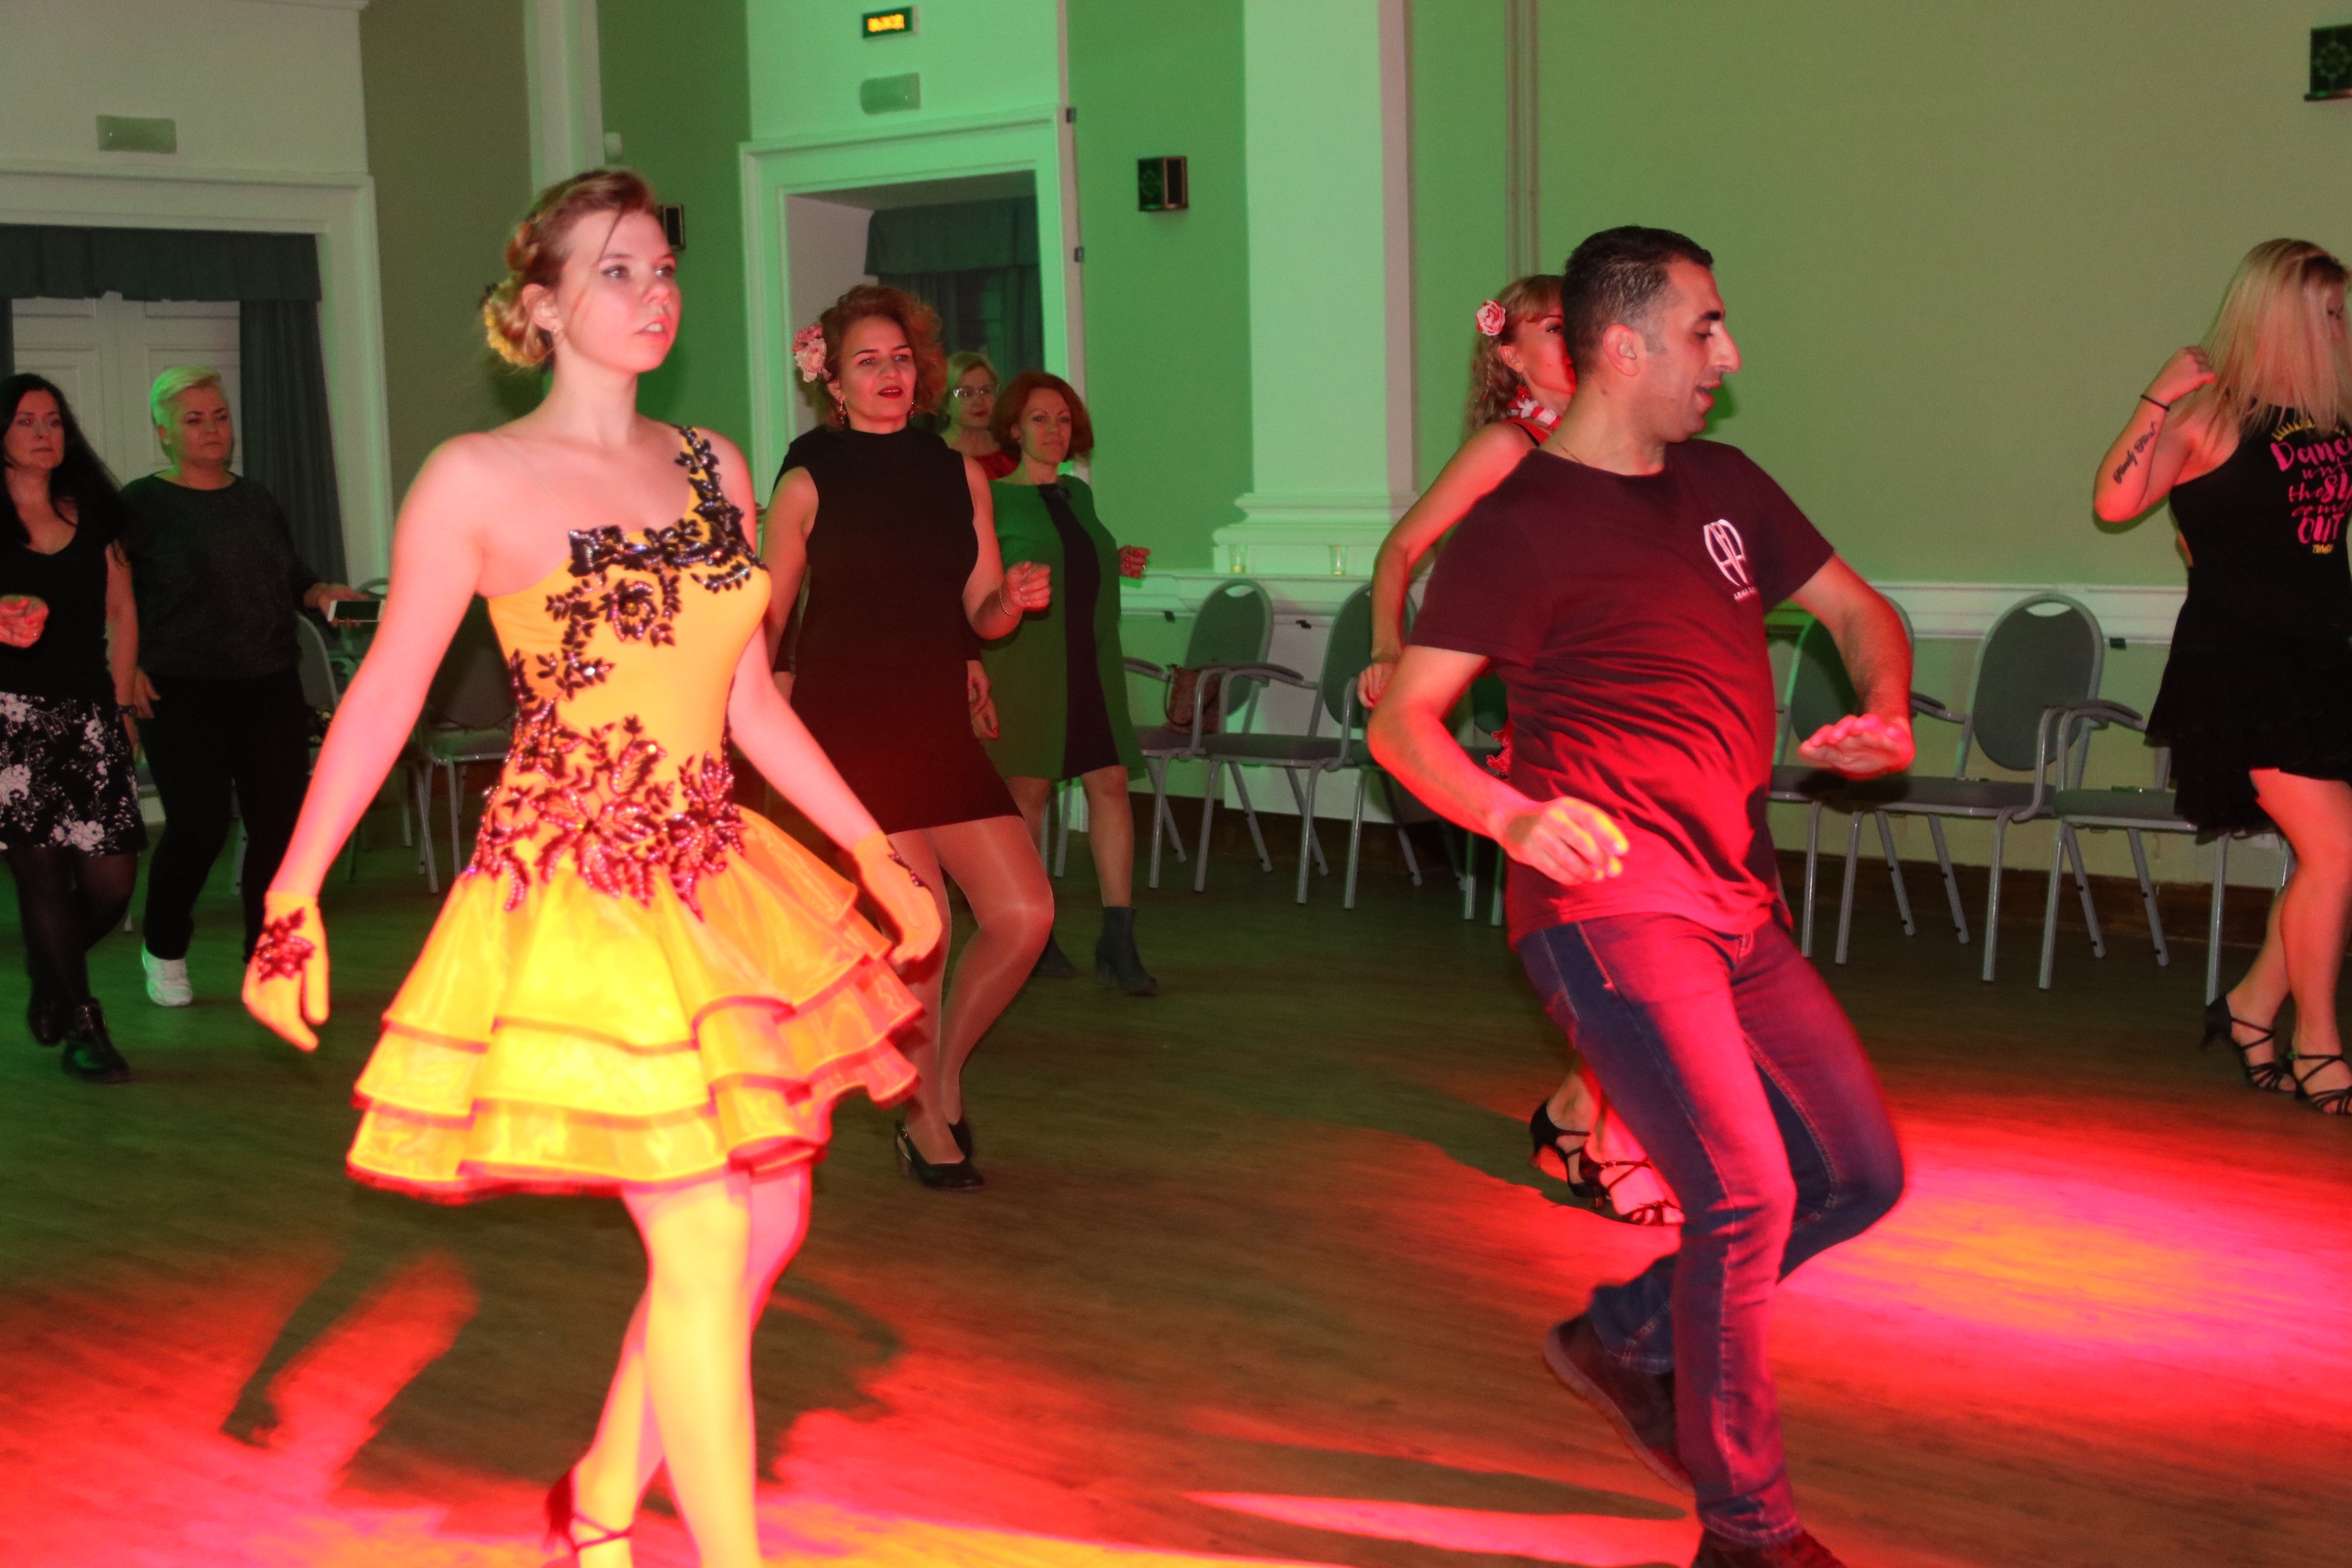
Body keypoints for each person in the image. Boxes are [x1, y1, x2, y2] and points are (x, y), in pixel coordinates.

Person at [241, 170, 943, 1568]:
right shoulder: (476, 478)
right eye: (615, 270)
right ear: (541, 306)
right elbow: (384, 694)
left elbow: (750, 701)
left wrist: (870, 848)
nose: (653, 291)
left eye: (662, 267)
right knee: (702, 1235)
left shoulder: (714, 465)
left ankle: (602, 1496)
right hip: (577, 881)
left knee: (770, 1216)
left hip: (713, 866)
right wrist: (291, 892)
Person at [1369, 227, 1911, 1568]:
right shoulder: (1519, 526)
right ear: (1623, 346)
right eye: (1705, 330)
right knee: (1745, 1195)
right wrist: (1511, 814)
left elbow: (1860, 612)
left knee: (1856, 1175)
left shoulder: (1725, 485)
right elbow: (1403, 723)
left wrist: (1887, 706)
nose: (1728, 356)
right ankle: (1748, 1529)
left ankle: (1626, 1333)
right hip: (1609, 909)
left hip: (1736, 899)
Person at [1358, 276, 1670, 1225]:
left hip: (1628, 711)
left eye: (1576, 322)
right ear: (1508, 354)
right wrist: (1389, 649)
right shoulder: (1510, 446)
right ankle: (1605, 1138)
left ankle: (1576, 1109)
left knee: (1647, 935)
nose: (1570, 339)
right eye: (1549, 327)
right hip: (1553, 727)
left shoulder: (1613, 441)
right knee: (1620, 938)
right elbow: (1400, 549)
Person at [766, 285, 1055, 1191]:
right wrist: (753, 722)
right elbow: (768, 618)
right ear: (832, 381)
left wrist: (1010, 602)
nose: (888, 374)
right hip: (851, 726)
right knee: (922, 929)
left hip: (936, 723)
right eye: (867, 361)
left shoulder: (956, 471)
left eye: (899, 358)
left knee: (1026, 914)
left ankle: (937, 1075)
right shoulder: (807, 479)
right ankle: (927, 1120)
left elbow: (981, 611)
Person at [2095, 238, 2352, 1119]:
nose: (2339, 329)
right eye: (2327, 314)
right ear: (2282, 317)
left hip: (2324, 656)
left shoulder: (2331, 417)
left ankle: (2248, 1007)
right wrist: (2158, 396)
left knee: (2331, 859)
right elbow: (2115, 503)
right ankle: (2319, 1043)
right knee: (2337, 854)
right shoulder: (2212, 417)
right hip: (2244, 667)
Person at [118, 367, 362, 1007]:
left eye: (220, 416)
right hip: (180, 690)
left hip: (268, 685)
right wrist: (126, 667)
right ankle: (164, 949)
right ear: (165, 432)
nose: (212, 429)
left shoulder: (256, 500)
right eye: (195, 419)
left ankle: (267, 958)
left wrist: (322, 592)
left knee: (278, 829)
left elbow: (294, 578)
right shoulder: (141, 504)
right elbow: (111, 599)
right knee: (198, 828)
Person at [978, 370, 1156, 992]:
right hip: (1029, 666)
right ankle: (1034, 929)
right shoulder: (993, 499)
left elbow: (1074, 555)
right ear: (1014, 428)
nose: (1053, 430)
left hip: (1092, 661)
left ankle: (1118, 936)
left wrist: (1114, 558)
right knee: (1030, 792)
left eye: (1062, 419)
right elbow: (980, 586)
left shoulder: (1078, 494)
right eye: (1039, 419)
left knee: (1111, 783)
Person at [1, 375, 142, 1085]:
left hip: (88, 714)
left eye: (53, 420)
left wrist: (121, 706)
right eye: (27, 421)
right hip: (9, 720)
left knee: (112, 881)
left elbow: (122, 612)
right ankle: (85, 1022)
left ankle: (50, 969)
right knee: (44, 877)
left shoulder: (95, 512)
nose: (43, 433)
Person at [944, 350, 1018, 479]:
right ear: (946, 403)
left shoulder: (1013, 451)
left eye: (986, 391)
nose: (979, 401)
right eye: (966, 393)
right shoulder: (931, 455)